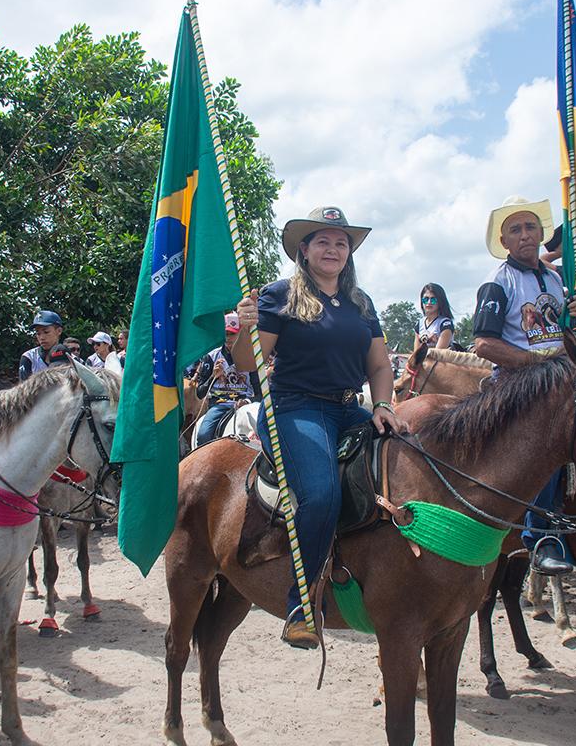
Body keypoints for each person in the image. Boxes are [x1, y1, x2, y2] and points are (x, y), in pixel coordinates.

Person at [232, 205, 404, 650]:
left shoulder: (361, 303)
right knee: (322, 491)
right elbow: (248, 362)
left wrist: (383, 404)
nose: (333, 249)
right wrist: (245, 328)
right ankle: (300, 604)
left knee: (406, 460)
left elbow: (381, 364)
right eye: (323, 241)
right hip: (295, 408)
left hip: (351, 408)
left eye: (341, 242)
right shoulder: (278, 295)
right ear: (304, 250)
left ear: (349, 253)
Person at [471, 196, 576, 577]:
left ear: (541, 234)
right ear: (504, 241)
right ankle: (540, 538)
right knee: (550, 438)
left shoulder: (555, 279)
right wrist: (541, 366)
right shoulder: (497, 282)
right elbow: (484, 344)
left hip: (563, 381)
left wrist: (575, 317)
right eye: (515, 230)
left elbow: (558, 333)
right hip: (521, 388)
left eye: (530, 227)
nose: (525, 235)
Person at [193, 313, 261, 446]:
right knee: (203, 435)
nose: (229, 338)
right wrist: (213, 376)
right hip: (220, 404)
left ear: (240, 333)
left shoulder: (251, 357)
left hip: (245, 405)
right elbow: (199, 393)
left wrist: (247, 400)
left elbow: (260, 393)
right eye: (226, 334)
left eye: (232, 334)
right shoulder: (211, 357)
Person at [18, 310, 73, 381]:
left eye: (46, 332)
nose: (41, 337)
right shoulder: (29, 357)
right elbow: (23, 389)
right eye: (38, 333)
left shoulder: (71, 357)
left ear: (59, 331)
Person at [413, 283, 455, 350]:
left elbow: (438, 353)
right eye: (425, 299)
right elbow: (416, 353)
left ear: (440, 301)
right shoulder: (419, 324)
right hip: (423, 359)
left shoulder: (445, 324)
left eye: (433, 300)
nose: (429, 302)